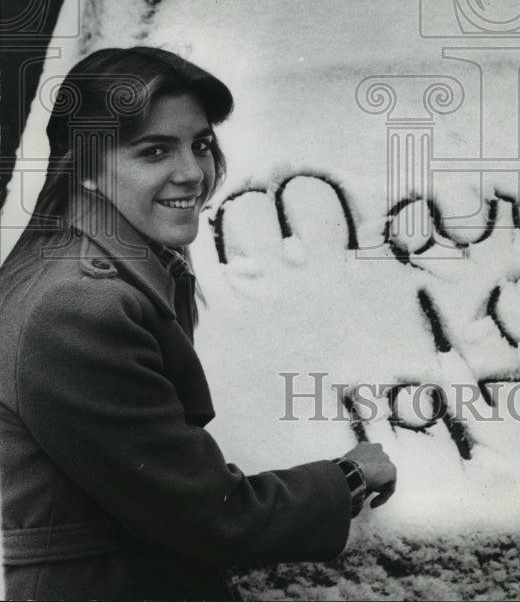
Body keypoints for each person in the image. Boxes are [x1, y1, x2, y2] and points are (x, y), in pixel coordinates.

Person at [0, 46, 396, 601]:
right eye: (155, 150)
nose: (192, 173)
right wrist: (349, 478)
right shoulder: (77, 306)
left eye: (201, 144)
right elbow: (208, 513)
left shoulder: (99, 265)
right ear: (86, 166)